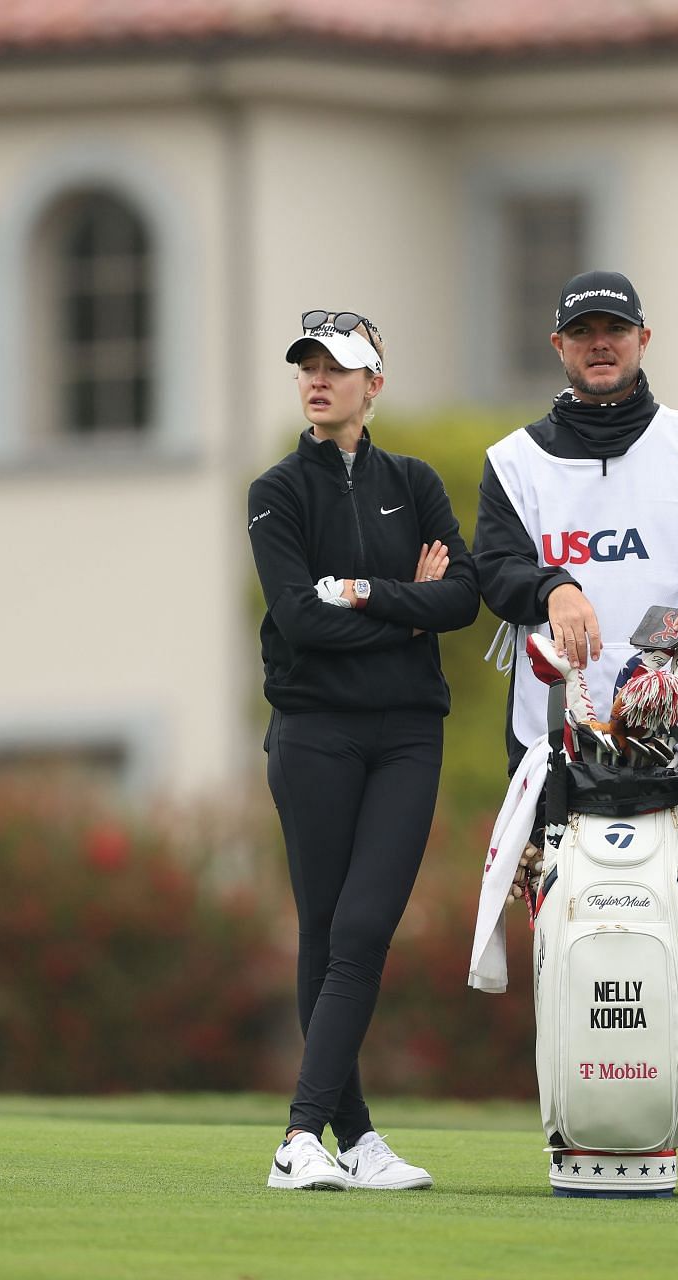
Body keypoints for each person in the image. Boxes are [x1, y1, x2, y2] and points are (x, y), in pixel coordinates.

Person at [472, 271, 678, 1198]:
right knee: (574, 933)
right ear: (559, 350)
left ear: (644, 339)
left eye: (615, 330)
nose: (601, 345)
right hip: (553, 747)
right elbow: (494, 567)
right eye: (584, 333)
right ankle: (587, 1128)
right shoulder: (514, 461)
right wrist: (554, 588)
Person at [247, 310, 481, 1191]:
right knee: (328, 931)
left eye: (337, 367)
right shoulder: (275, 492)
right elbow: (298, 620)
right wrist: (399, 608)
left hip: (407, 735)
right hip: (313, 734)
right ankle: (337, 1139)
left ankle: (313, 1138)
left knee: (363, 925)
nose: (318, 378)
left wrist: (355, 593)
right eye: (307, 365)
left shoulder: (414, 483)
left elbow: (459, 598)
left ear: (372, 384)